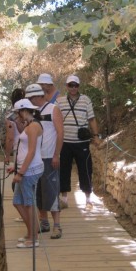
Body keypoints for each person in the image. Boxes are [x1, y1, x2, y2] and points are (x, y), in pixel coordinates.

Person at [25, 83, 64, 239]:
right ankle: (44, 221)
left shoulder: (53, 109)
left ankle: (57, 225)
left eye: (30, 98)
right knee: (38, 190)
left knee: (52, 190)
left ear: (36, 96)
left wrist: (56, 155)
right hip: (35, 158)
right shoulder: (32, 112)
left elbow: (61, 133)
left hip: (49, 157)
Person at [57, 75, 100, 210]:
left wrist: (96, 136)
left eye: (76, 85)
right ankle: (64, 199)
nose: (73, 88)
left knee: (86, 170)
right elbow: (55, 120)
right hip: (64, 142)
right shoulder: (59, 102)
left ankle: (88, 199)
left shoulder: (86, 100)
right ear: (67, 86)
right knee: (64, 170)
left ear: (79, 86)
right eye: (71, 85)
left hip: (82, 143)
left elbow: (91, 119)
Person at [7, 99, 44, 248]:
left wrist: (21, 173)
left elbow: (32, 151)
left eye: (17, 113)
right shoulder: (30, 125)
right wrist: (16, 168)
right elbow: (24, 150)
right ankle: (31, 233)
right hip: (24, 169)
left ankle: (34, 238)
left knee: (29, 204)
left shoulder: (33, 126)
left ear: (23, 111)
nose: (17, 117)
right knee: (17, 202)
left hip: (29, 170)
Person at [4, 88, 26, 166]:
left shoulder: (10, 115)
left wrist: (7, 156)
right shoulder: (30, 112)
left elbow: (10, 138)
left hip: (19, 149)